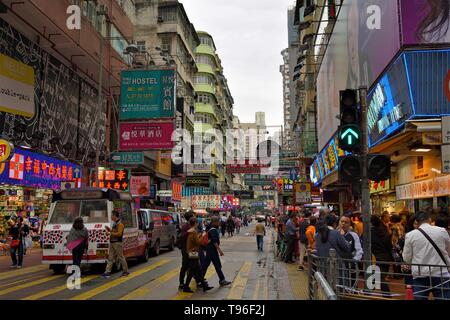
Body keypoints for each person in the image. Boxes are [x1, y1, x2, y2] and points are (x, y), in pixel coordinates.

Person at [403, 211, 450, 300]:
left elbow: (406, 258)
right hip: (441, 273)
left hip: (420, 274)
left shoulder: (410, 235)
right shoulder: (442, 231)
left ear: (416, 221)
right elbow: (449, 250)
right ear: (429, 219)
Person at [183, 217, 214, 293]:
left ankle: (204, 286)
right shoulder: (193, 232)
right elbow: (198, 243)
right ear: (195, 223)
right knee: (193, 270)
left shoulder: (190, 231)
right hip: (193, 252)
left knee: (198, 270)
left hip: (192, 251)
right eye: (197, 223)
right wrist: (202, 236)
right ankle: (186, 286)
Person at [202, 216, 232, 287]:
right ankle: (222, 280)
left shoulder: (210, 228)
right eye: (218, 221)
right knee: (217, 265)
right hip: (212, 249)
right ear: (215, 222)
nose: (219, 223)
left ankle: (199, 278)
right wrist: (220, 250)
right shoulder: (213, 230)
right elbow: (214, 241)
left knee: (206, 265)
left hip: (209, 249)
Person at [371, 215, 393, 296]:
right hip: (386, 257)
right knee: (380, 276)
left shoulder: (369, 232)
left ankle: (387, 295)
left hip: (375, 257)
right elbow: (389, 246)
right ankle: (370, 290)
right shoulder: (384, 231)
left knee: (380, 278)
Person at [103, 211, 129, 278]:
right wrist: (109, 230)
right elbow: (115, 231)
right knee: (110, 257)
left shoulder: (120, 224)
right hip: (112, 242)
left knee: (120, 257)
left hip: (117, 243)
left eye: (112, 215)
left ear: (115, 216)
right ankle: (107, 271)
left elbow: (119, 234)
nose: (111, 217)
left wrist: (110, 233)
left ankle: (125, 271)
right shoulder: (115, 223)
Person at [339, 216, 363, 288]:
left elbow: (359, 250)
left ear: (349, 224)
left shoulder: (353, 235)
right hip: (338, 266)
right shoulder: (335, 234)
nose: (343, 224)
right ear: (339, 223)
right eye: (342, 221)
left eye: (346, 222)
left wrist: (354, 260)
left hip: (350, 266)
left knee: (352, 286)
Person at [178, 210, 194, 290]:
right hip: (186, 249)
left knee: (194, 266)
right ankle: (182, 283)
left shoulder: (192, 225)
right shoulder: (186, 226)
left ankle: (199, 281)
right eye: (192, 216)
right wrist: (188, 232)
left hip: (192, 249)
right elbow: (183, 237)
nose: (194, 217)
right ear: (190, 217)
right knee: (185, 266)